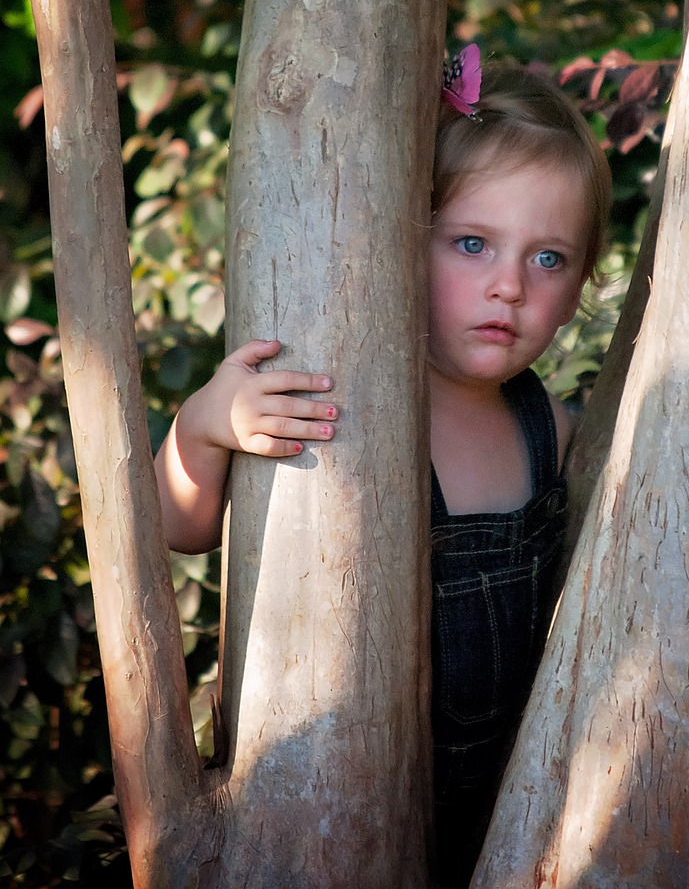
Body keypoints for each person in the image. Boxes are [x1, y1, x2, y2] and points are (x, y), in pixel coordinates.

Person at [154, 58, 611, 886]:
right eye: (471, 244)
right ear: (403, 240)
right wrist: (206, 426)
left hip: (518, 806)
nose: (508, 286)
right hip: (342, 807)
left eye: (548, 259)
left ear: (582, 283)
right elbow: (177, 530)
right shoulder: (337, 404)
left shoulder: (557, 431)